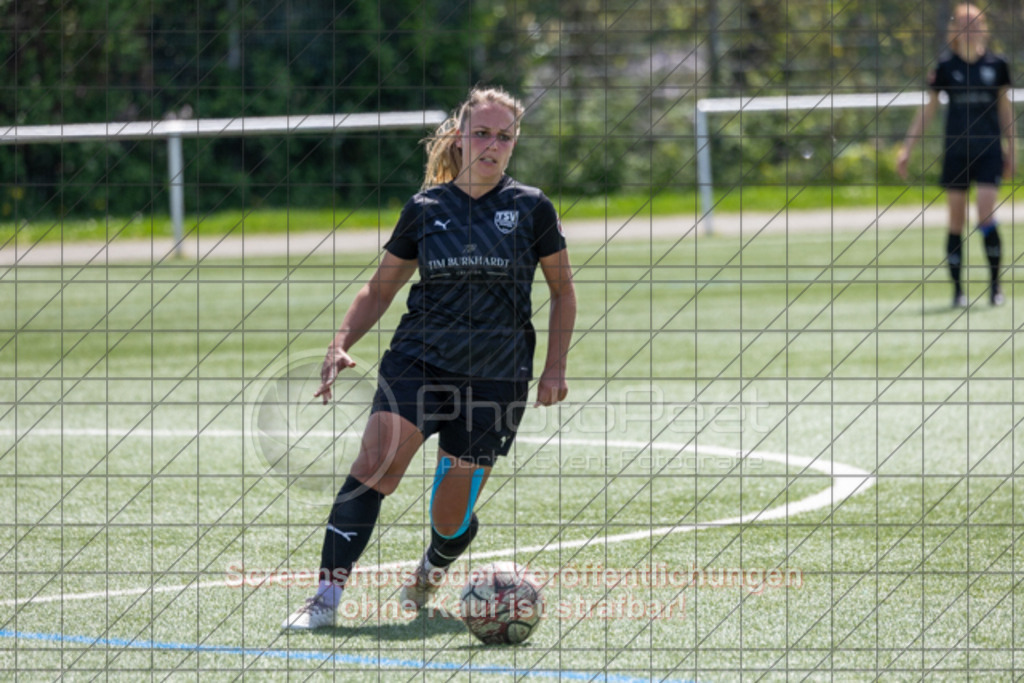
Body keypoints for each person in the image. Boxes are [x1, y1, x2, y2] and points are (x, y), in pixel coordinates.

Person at [282, 86, 577, 629]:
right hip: (419, 361)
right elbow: (379, 289)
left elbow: (563, 291)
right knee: (374, 469)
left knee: (450, 515)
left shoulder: (532, 207)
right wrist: (339, 342)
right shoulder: (425, 209)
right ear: (460, 137)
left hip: (496, 375)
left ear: (515, 143)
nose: (492, 145)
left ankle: (433, 564)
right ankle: (323, 600)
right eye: (481, 133)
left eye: (503, 137)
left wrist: (554, 367)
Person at [896, 2, 1014, 308]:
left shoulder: (998, 65)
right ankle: (958, 292)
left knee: (986, 213)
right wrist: (907, 147)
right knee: (956, 221)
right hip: (956, 153)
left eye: (974, 23)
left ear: (983, 27)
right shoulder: (946, 68)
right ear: (955, 31)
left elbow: (1005, 109)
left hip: (988, 150)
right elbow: (929, 110)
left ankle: (995, 286)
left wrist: (1012, 149)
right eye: (963, 24)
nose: (969, 29)